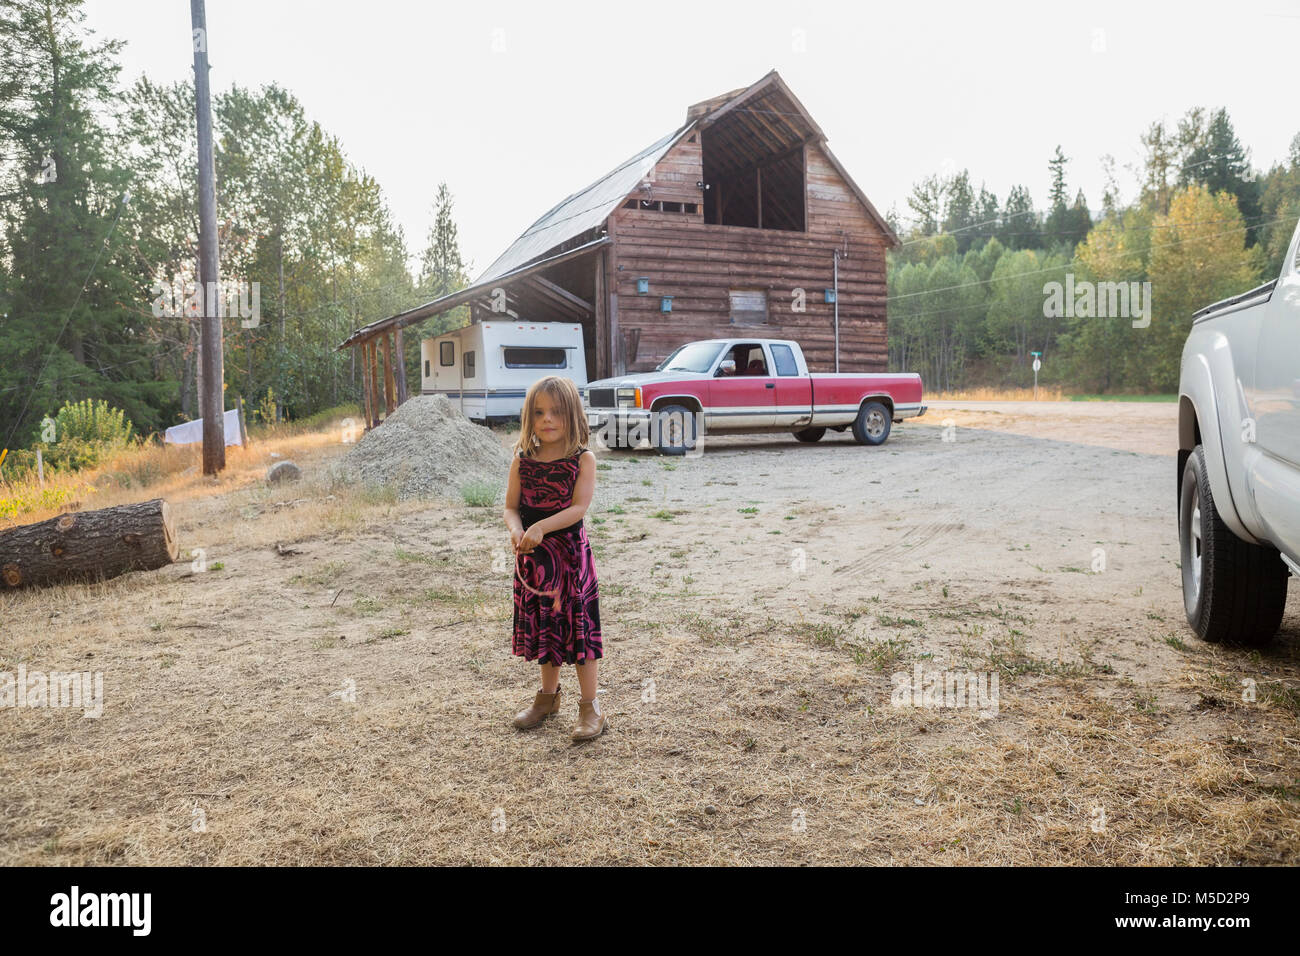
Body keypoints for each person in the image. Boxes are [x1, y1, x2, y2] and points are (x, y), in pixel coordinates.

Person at [504, 375, 606, 740]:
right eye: (539, 412)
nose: (547, 419)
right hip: (535, 563)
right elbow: (510, 508)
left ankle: (590, 707)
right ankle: (547, 699)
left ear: (573, 414)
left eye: (556, 412)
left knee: (579, 633)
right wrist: (517, 530)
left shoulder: (583, 460)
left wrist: (542, 527)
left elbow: (579, 507)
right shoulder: (523, 461)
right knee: (547, 628)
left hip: (570, 561)